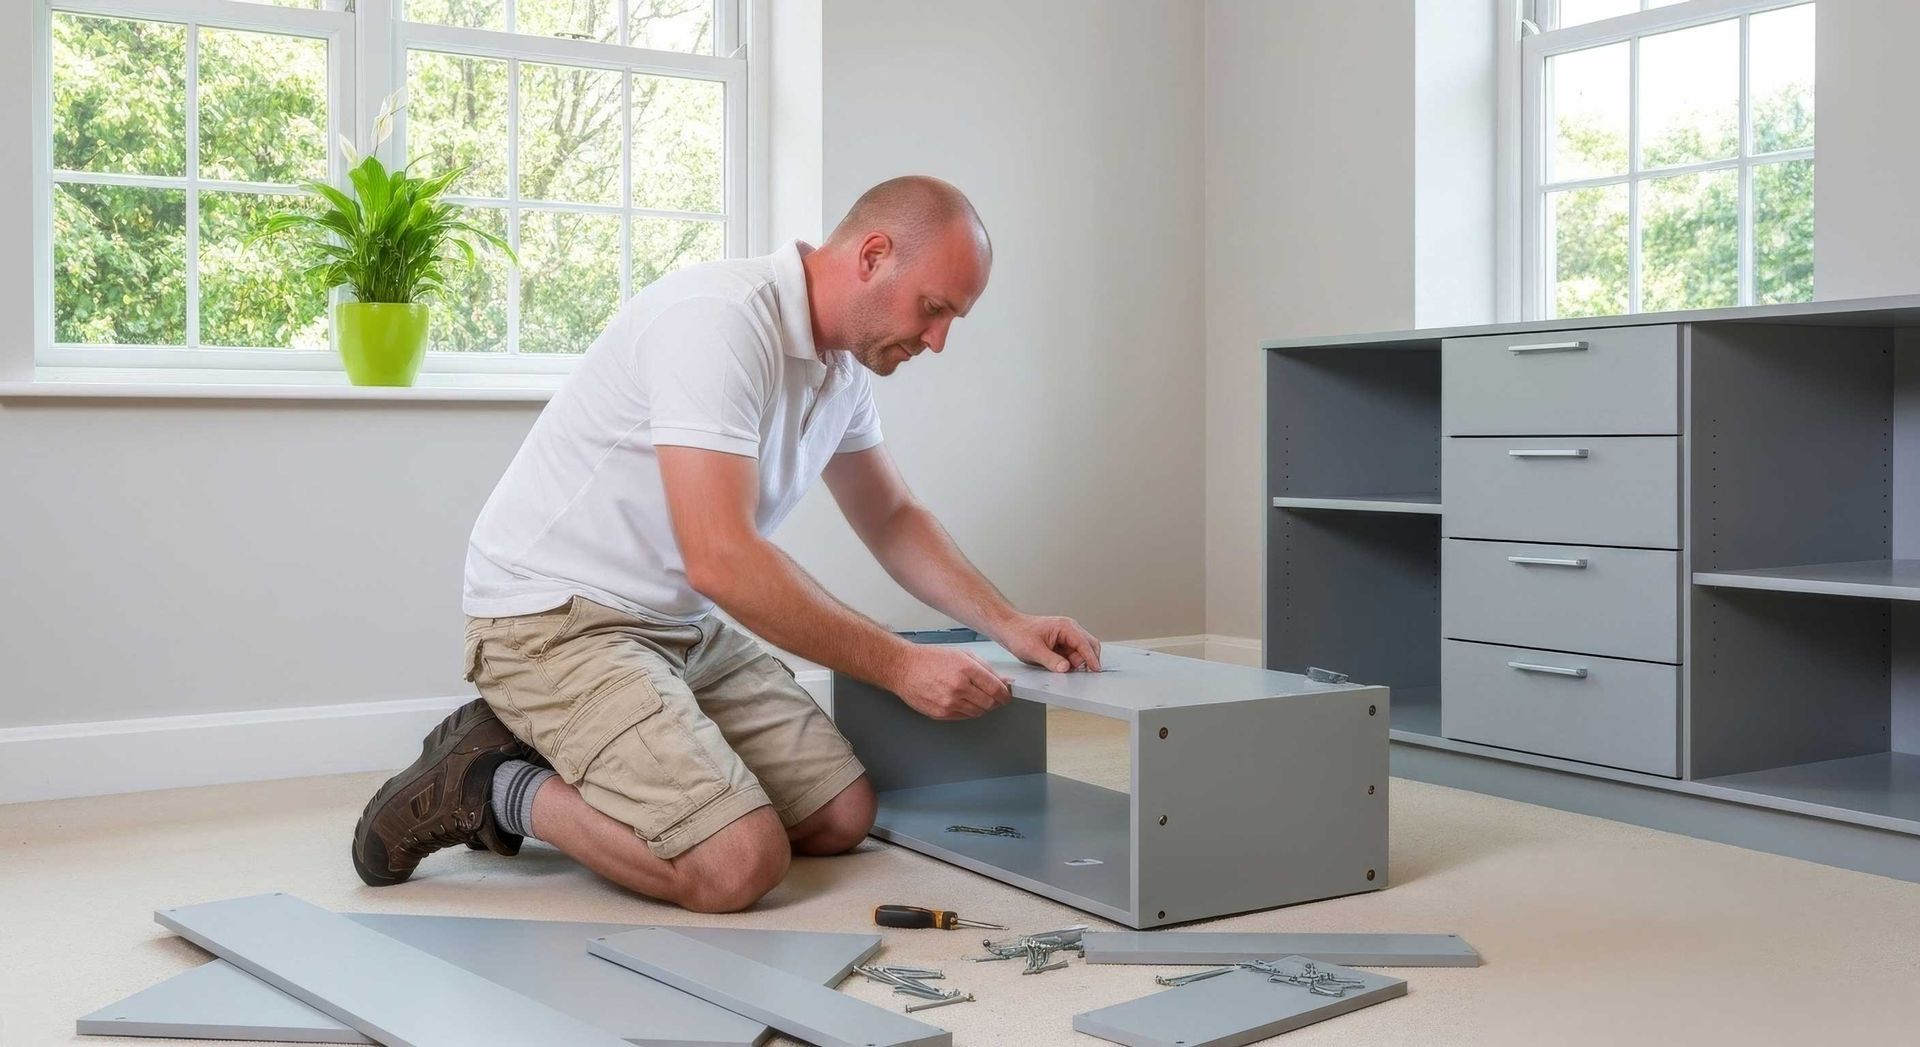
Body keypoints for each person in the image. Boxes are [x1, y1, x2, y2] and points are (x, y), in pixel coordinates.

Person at [351, 175, 1102, 912]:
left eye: (953, 321)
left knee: (842, 815)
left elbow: (892, 515)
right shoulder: (720, 321)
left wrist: (1009, 622)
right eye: (934, 309)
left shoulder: (841, 367)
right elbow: (721, 558)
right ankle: (491, 781)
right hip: (550, 618)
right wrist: (902, 665)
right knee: (738, 862)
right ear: (873, 255)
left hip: (676, 624)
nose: (937, 340)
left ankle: (604, 748)